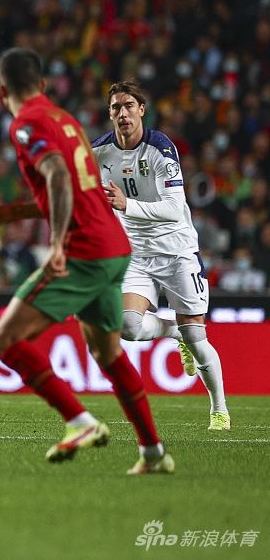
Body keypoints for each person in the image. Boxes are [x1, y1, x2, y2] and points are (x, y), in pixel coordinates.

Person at [0, 49, 173, 474]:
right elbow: (74, 189)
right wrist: (13, 212)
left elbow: (59, 178)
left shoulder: (26, 123)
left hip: (84, 250)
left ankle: (80, 422)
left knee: (3, 341)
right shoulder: (65, 120)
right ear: (42, 85)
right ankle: (153, 453)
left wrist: (57, 245)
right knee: (109, 354)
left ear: (2, 91)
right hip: (113, 247)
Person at [93, 81, 230, 431]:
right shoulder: (99, 152)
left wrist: (127, 205)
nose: (123, 113)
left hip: (177, 252)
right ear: (109, 114)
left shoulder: (160, 149)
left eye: (129, 106)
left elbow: (172, 208)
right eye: (116, 108)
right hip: (137, 255)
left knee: (197, 338)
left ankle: (219, 409)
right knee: (128, 327)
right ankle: (174, 332)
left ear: (142, 110)